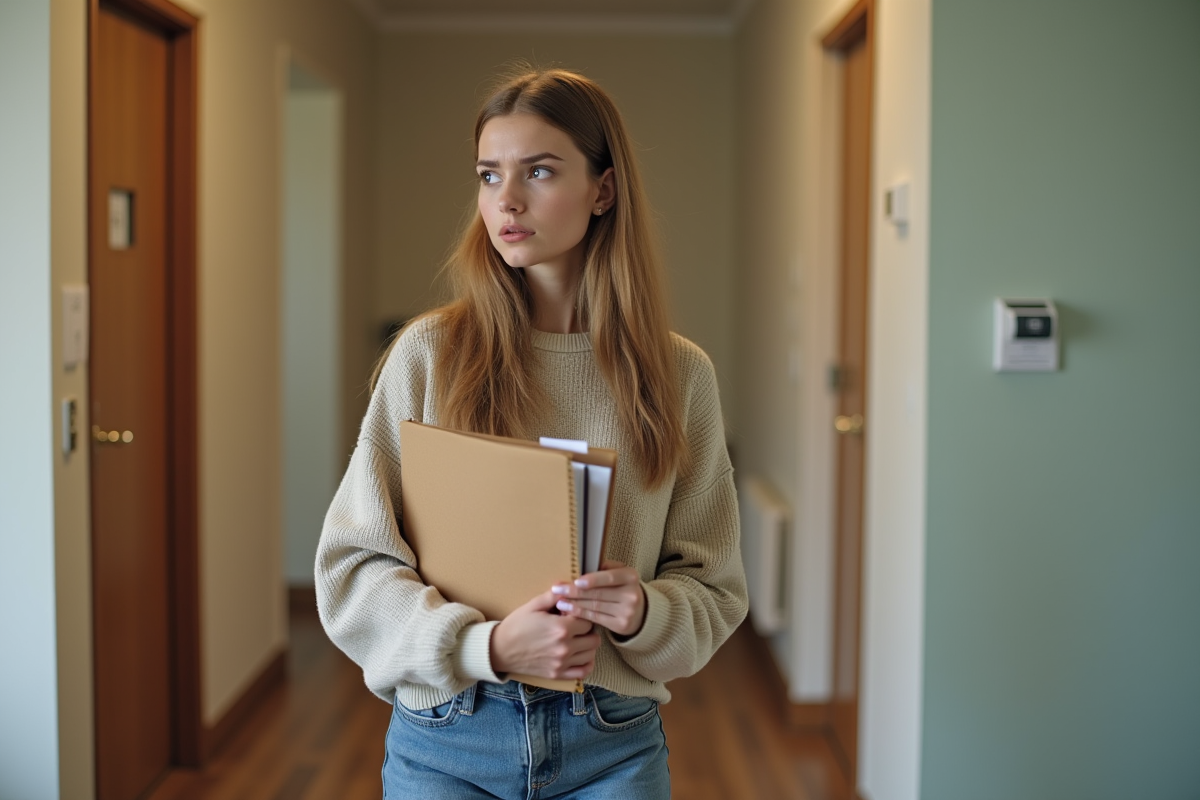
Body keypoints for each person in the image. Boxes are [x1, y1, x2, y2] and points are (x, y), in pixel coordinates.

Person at [315, 67, 747, 799]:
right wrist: (482, 645)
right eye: (489, 175)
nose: (505, 200)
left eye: (539, 171)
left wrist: (645, 611)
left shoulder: (680, 376)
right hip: (449, 736)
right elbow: (352, 568)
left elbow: (715, 588)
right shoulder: (428, 356)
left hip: (610, 740)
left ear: (603, 190)